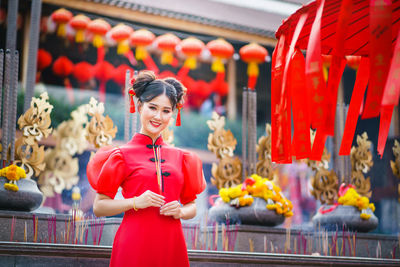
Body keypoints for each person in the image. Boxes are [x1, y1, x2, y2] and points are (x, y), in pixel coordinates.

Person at [86, 71, 206, 267]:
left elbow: (191, 206)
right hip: (133, 244)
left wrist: (181, 212)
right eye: (153, 107)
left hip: (171, 244)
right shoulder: (121, 155)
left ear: (173, 114)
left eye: (166, 111)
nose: (159, 116)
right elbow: (99, 207)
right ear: (140, 106)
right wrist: (135, 202)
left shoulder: (182, 158)